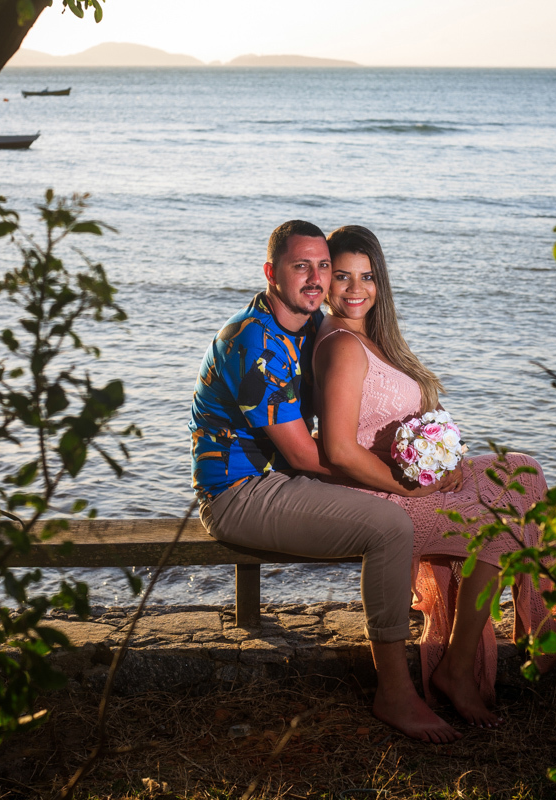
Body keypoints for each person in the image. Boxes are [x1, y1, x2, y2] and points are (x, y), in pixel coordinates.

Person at [189, 220, 463, 743]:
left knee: (411, 504)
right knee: (388, 523)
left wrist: (423, 449)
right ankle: (395, 692)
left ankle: (457, 653)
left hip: (281, 481)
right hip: (238, 493)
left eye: (322, 267)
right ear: (271, 273)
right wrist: (407, 484)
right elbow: (308, 456)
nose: (316, 279)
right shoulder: (255, 341)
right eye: (301, 267)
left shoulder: (305, 324)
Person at [311, 225, 556, 728]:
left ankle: (485, 651)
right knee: (498, 520)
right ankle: (459, 668)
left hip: (404, 476)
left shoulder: (372, 336)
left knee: (520, 470)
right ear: (325, 281)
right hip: (380, 493)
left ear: (380, 280)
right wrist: (421, 480)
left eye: (366, 276)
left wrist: (441, 454)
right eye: (341, 276)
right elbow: (342, 451)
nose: (354, 289)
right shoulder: (344, 345)